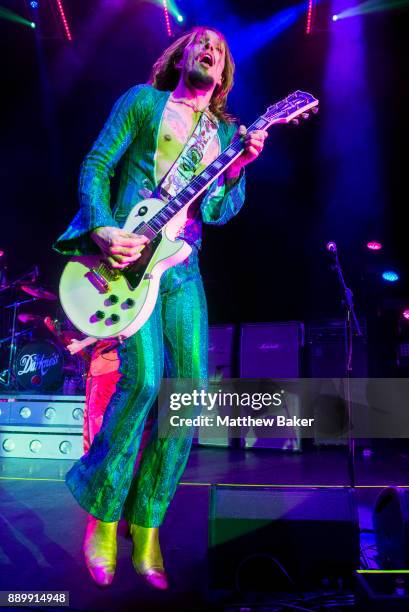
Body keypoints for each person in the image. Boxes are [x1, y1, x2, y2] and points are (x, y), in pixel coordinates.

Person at [54, 26, 267, 589]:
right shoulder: (143, 102)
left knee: (187, 394)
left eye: (219, 51)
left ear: (223, 74)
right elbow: (98, 162)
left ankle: (146, 526)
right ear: (180, 55)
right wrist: (100, 226)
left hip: (180, 270)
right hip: (124, 260)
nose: (209, 51)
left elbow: (218, 211)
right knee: (145, 381)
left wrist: (238, 168)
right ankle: (103, 514)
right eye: (200, 42)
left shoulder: (224, 132)